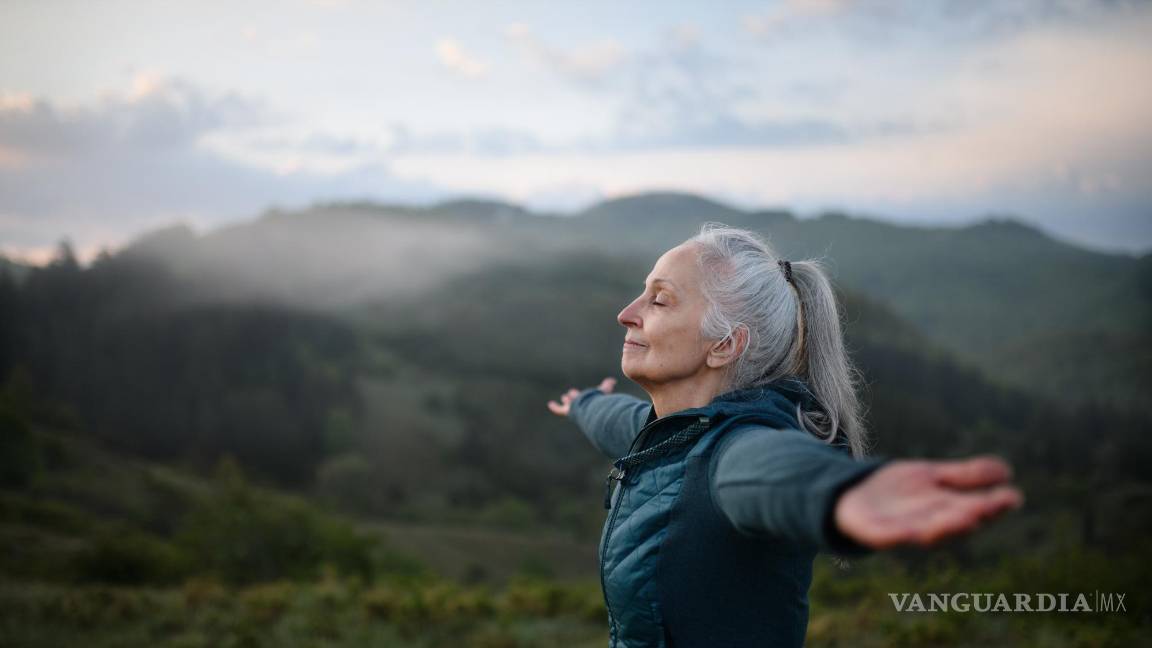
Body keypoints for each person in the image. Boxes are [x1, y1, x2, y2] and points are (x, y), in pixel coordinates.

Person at [546, 224, 1023, 648]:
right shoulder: (672, 433)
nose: (626, 313)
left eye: (660, 299)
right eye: (641, 293)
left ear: (725, 344)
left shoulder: (732, 451)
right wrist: (584, 405)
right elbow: (623, 422)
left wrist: (839, 492)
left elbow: (772, 470)